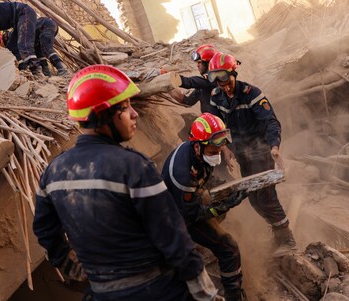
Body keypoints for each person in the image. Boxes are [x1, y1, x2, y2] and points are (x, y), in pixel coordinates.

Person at [33, 64, 223, 301]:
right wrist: (204, 293)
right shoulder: (133, 166)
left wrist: (74, 270)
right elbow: (173, 237)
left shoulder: (53, 172)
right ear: (102, 116)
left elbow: (44, 229)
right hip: (157, 290)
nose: (134, 114)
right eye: (124, 108)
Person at [206, 52, 297, 257]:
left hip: (261, 150)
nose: (224, 86)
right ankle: (277, 233)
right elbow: (217, 126)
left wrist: (274, 146)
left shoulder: (251, 93)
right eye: (218, 81)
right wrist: (226, 149)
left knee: (266, 196)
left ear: (233, 74)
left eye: (226, 80)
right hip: (241, 152)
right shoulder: (216, 97)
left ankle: (288, 240)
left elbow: (271, 122)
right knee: (253, 198)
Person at [162, 113, 247, 301]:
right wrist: (225, 204)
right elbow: (191, 215)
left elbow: (206, 179)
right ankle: (235, 296)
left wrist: (228, 188)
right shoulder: (182, 173)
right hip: (177, 219)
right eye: (213, 150)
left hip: (188, 204)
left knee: (217, 209)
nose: (217, 153)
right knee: (229, 247)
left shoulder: (200, 154)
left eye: (220, 148)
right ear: (197, 144)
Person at [0, 17, 68, 76]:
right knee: (39, 51)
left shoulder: (13, 39)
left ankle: (62, 69)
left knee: (47, 48)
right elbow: (37, 53)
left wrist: (23, 69)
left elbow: (16, 53)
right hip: (47, 26)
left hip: (44, 26)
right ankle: (47, 73)